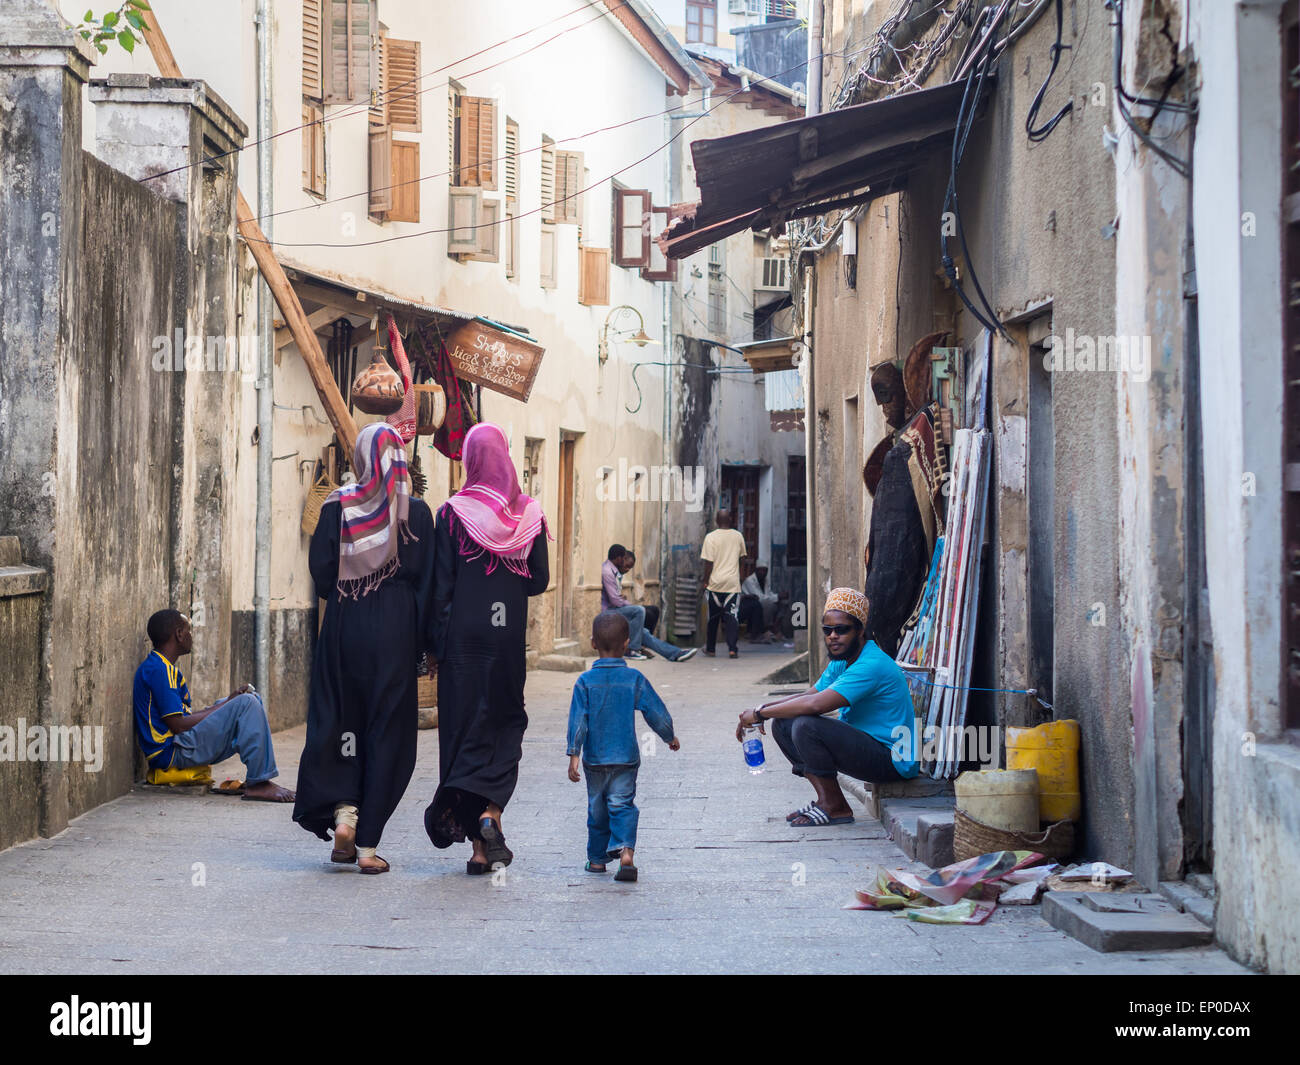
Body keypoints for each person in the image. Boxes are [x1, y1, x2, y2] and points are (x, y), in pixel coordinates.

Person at [293, 422, 436, 875]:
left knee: (340, 722)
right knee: (387, 731)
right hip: (394, 631)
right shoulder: (416, 512)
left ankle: (344, 815)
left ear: (359, 458)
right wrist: (429, 646)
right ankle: (369, 846)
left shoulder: (337, 507)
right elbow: (427, 586)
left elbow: (320, 572)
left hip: (343, 624)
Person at [424, 422, 551, 875]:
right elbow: (539, 579)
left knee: (462, 732)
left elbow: (440, 588)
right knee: (503, 724)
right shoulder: (529, 514)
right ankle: (490, 815)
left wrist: (434, 647)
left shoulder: (452, 514)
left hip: (462, 640)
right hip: (505, 640)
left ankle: (478, 850)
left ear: (470, 460)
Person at [734, 588, 918, 827]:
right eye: (828, 630)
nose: (833, 636)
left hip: (893, 759)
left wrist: (759, 714)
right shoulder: (842, 660)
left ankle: (835, 806)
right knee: (784, 723)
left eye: (841, 630)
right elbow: (808, 695)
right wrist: (761, 710)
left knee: (806, 725)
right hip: (868, 746)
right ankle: (827, 800)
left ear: (860, 631)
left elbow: (815, 704)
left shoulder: (871, 664)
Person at [133, 610, 294, 803]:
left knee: (249, 699)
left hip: (179, 744)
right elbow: (178, 725)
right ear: (179, 634)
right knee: (246, 703)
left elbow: (182, 720)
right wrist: (229, 704)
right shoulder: (160, 670)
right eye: (188, 630)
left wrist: (227, 703)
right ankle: (259, 784)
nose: (191, 636)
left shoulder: (161, 666)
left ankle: (259, 778)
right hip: (171, 753)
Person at [566, 612, 680, 882]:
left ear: (593, 643)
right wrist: (668, 736)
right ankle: (626, 853)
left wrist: (573, 754)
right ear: (627, 644)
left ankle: (596, 861)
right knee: (622, 803)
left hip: (594, 760)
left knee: (597, 808)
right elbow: (655, 711)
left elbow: (578, 722)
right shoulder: (634, 679)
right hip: (626, 758)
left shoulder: (584, 682)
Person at [600, 543, 697, 663]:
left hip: (616, 610)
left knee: (643, 633)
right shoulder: (607, 571)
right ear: (618, 558)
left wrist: (621, 599)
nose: (624, 561)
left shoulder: (613, 571)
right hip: (609, 614)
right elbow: (615, 600)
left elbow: (615, 596)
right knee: (639, 610)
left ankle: (676, 654)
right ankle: (632, 649)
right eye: (624, 558)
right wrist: (628, 604)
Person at [700, 509, 747, 658]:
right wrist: (739, 574)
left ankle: (711, 649)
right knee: (732, 616)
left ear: (716, 520)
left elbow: (708, 562)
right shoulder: (738, 536)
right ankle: (732, 649)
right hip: (732, 584)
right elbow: (742, 558)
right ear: (731, 519)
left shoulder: (710, 537)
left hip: (715, 583)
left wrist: (705, 580)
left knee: (713, 618)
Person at [739, 562, 779, 642]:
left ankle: (775, 630)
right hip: (743, 605)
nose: (763, 573)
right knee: (762, 605)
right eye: (761, 571)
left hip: (756, 603)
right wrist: (777, 597)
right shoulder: (750, 581)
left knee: (778, 604)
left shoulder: (765, 580)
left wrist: (777, 596)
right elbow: (760, 598)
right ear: (756, 571)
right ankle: (763, 630)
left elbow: (768, 593)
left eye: (765, 571)